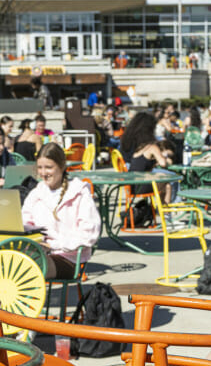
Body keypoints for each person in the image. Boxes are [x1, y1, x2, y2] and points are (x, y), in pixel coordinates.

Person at [21, 143, 101, 278]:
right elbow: (25, 223)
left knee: (27, 268)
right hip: (39, 253)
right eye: (40, 167)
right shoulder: (36, 193)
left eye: (49, 167)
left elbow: (89, 234)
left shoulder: (79, 192)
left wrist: (52, 245)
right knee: (4, 262)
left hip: (69, 258)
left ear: (62, 166)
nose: (43, 173)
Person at [120, 110, 173, 203]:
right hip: (140, 179)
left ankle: (165, 211)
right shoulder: (146, 143)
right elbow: (163, 163)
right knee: (170, 177)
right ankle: (172, 206)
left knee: (167, 183)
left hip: (128, 179)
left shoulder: (127, 136)